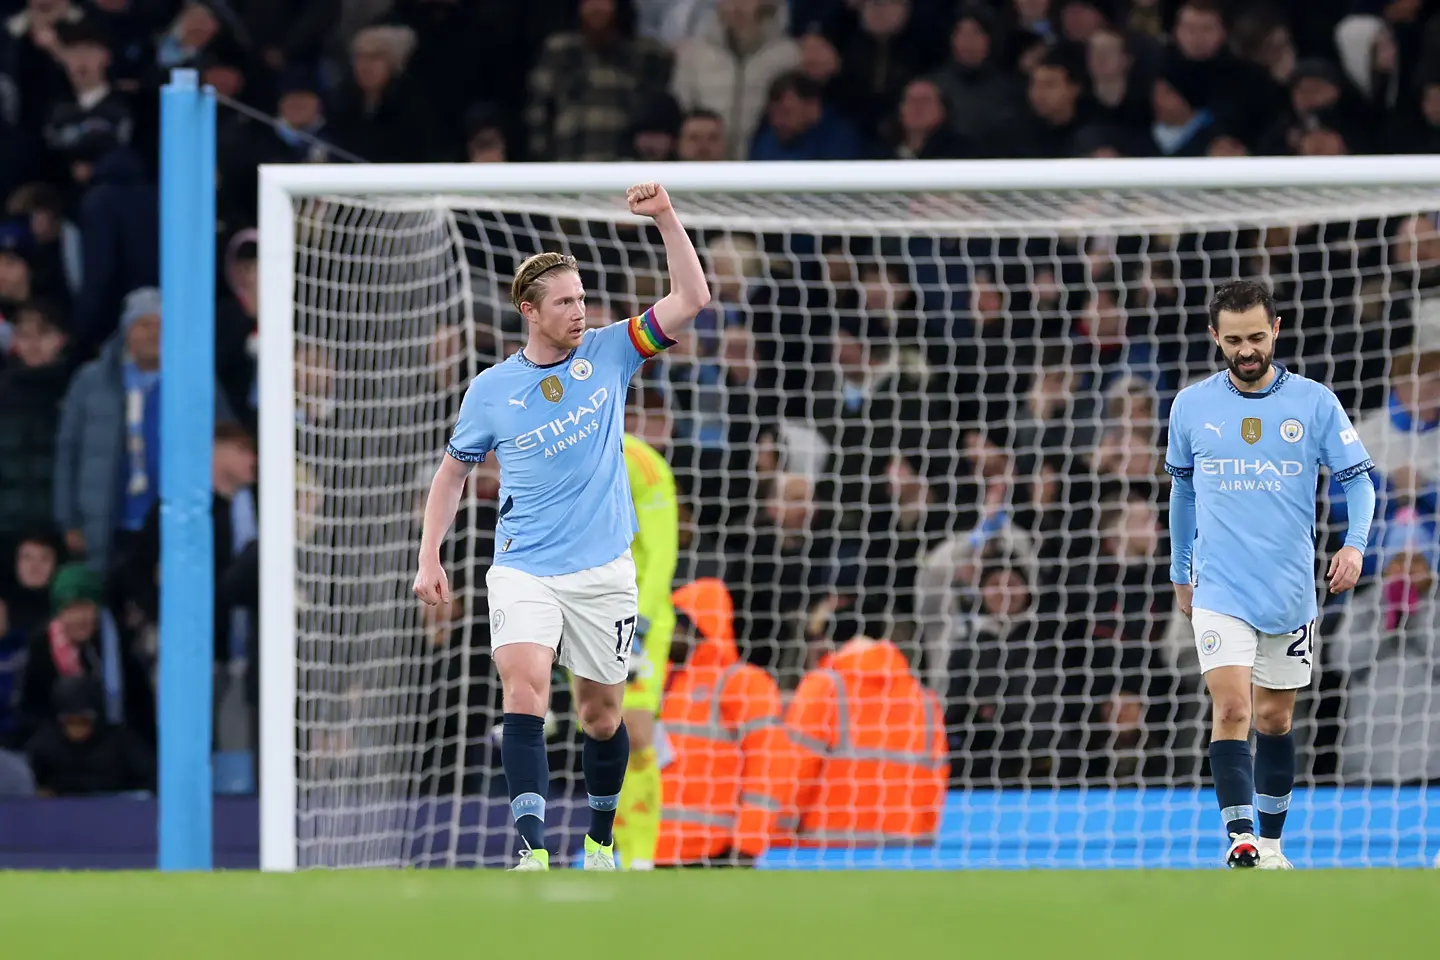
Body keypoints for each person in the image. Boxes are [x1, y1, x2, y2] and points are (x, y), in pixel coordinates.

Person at [413, 183, 709, 872]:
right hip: (522, 567)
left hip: (603, 570)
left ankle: (600, 839)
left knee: (602, 717)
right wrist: (430, 557)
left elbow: (691, 300)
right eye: (566, 302)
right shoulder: (490, 390)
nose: (581, 311)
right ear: (530, 312)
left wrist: (665, 217)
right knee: (523, 687)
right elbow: (452, 473)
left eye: (582, 299)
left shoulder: (612, 351)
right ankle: (532, 850)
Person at [1166, 280, 1376, 870]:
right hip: (1218, 587)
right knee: (1231, 708)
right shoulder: (1191, 406)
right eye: (1233, 340)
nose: (1246, 349)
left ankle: (1274, 844)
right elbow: (1181, 494)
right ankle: (1241, 839)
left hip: (1288, 590)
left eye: (1256, 336)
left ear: (1275, 330)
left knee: (1275, 717)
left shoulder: (1314, 402)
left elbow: (1358, 481)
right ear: (1215, 338)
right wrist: (1180, 569)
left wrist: (1354, 546)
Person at [612, 430, 679, 871]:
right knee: (604, 733)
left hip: (638, 615)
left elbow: (661, 554)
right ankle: (615, 850)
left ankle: (643, 859)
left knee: (635, 732)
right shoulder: (559, 455)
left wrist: (641, 620)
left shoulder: (641, 461)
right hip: (588, 611)